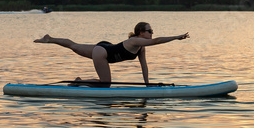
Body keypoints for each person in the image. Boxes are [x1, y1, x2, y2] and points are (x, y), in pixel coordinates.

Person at [34, 22, 189, 86]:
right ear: (141, 33)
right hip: (103, 53)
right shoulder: (135, 41)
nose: (152, 34)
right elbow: (156, 41)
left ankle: (50, 39)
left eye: (152, 32)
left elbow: (144, 66)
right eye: (150, 31)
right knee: (105, 83)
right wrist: (176, 37)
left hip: (104, 48)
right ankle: (78, 82)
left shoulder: (141, 48)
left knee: (74, 46)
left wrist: (147, 84)